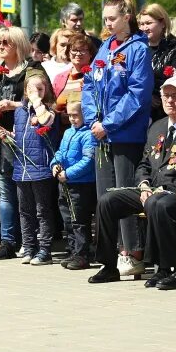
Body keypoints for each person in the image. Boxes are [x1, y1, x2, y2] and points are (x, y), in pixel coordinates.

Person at [86, 75, 176, 286]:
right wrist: (144, 184)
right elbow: (144, 164)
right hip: (150, 188)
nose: (170, 101)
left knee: (159, 203)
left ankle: (169, 268)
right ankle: (108, 265)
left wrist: (169, 188)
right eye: (166, 96)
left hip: (174, 191)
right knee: (107, 201)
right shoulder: (157, 127)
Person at [82, 0, 154, 276]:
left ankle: (132, 252)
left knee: (124, 195)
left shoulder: (138, 48)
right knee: (104, 199)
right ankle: (108, 259)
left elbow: (137, 94)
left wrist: (109, 123)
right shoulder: (105, 48)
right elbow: (89, 83)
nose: (108, 24)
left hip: (125, 134)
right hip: (100, 134)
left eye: (112, 19)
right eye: (105, 19)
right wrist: (92, 119)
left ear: (127, 17)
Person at [0, 26, 47, 259]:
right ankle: (8, 240)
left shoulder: (33, 70)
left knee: (31, 194)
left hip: (29, 140)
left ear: (18, 45)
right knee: (5, 189)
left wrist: (15, 105)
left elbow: (47, 99)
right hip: (2, 138)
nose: (0, 46)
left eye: (5, 42)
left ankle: (35, 243)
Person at [0, 73, 60, 265]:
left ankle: (45, 250)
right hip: (22, 168)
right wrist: (6, 135)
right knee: (25, 211)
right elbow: (19, 137)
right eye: (32, 90)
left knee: (42, 211)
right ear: (25, 90)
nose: (36, 93)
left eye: (40, 89)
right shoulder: (20, 112)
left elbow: (45, 121)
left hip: (40, 168)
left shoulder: (48, 110)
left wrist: (36, 100)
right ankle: (29, 247)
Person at [52, 100, 97, 269]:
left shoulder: (88, 134)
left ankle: (82, 254)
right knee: (67, 219)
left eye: (75, 115)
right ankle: (73, 250)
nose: (71, 119)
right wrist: (55, 164)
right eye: (69, 115)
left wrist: (68, 174)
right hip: (65, 183)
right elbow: (61, 152)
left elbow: (88, 161)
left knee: (79, 220)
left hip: (81, 184)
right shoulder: (68, 133)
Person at [139, 3, 176, 121]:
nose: (144, 28)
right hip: (141, 110)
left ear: (162, 23)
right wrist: (147, 96)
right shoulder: (138, 47)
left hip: (165, 112)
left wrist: (158, 95)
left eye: (149, 23)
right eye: (142, 24)